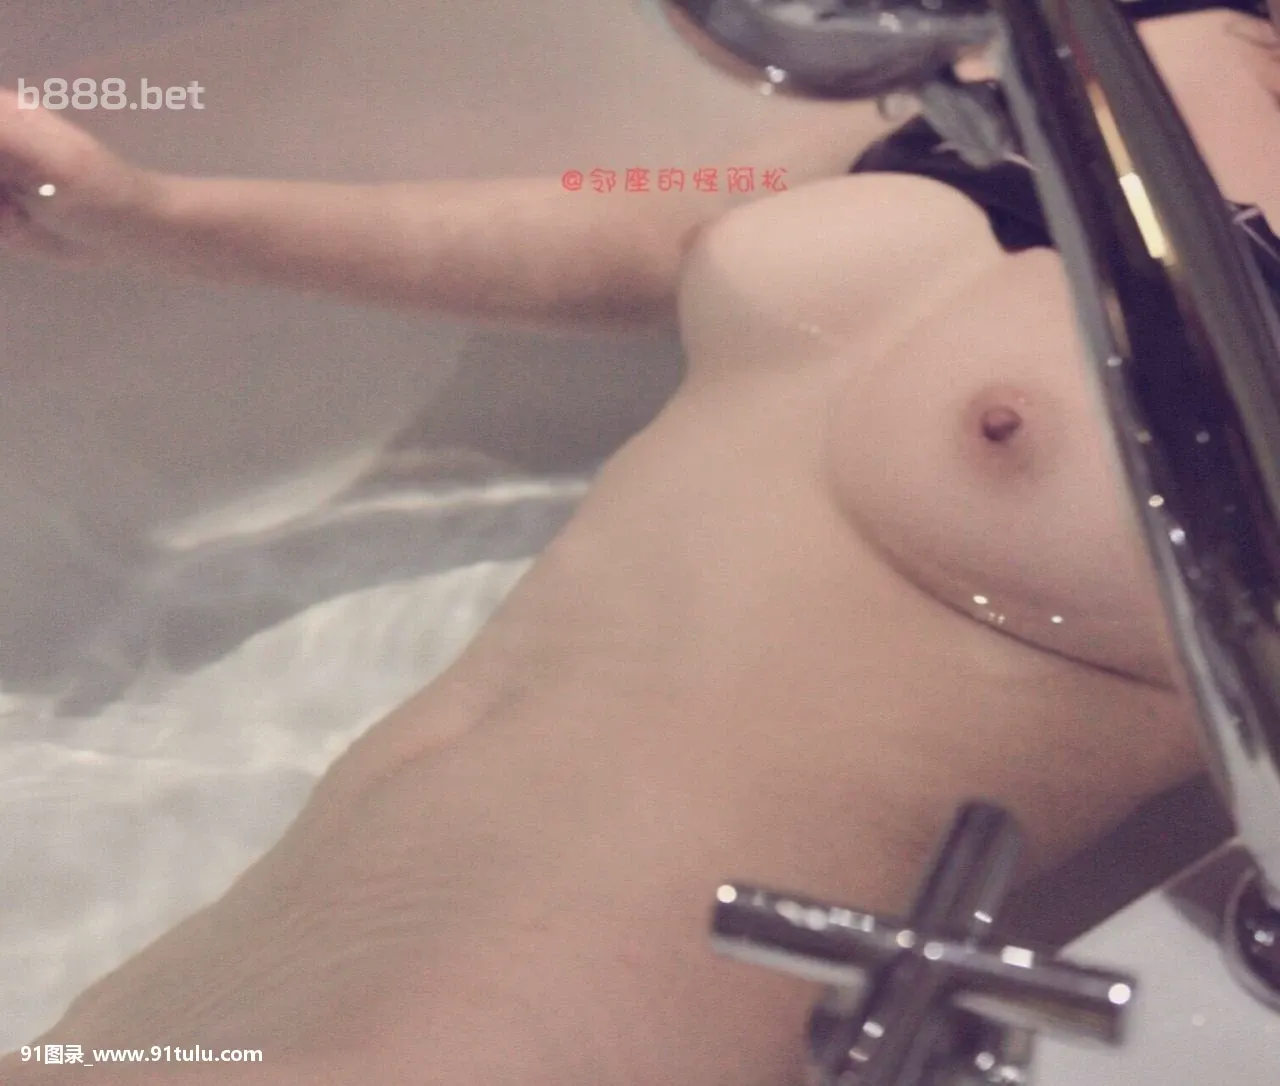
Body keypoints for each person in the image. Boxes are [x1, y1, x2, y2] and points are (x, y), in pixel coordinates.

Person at [1, 3, 1276, 1083]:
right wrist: (153, 214)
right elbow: (661, 218)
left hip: (612, 999)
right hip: (280, 923)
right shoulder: (1093, 41)